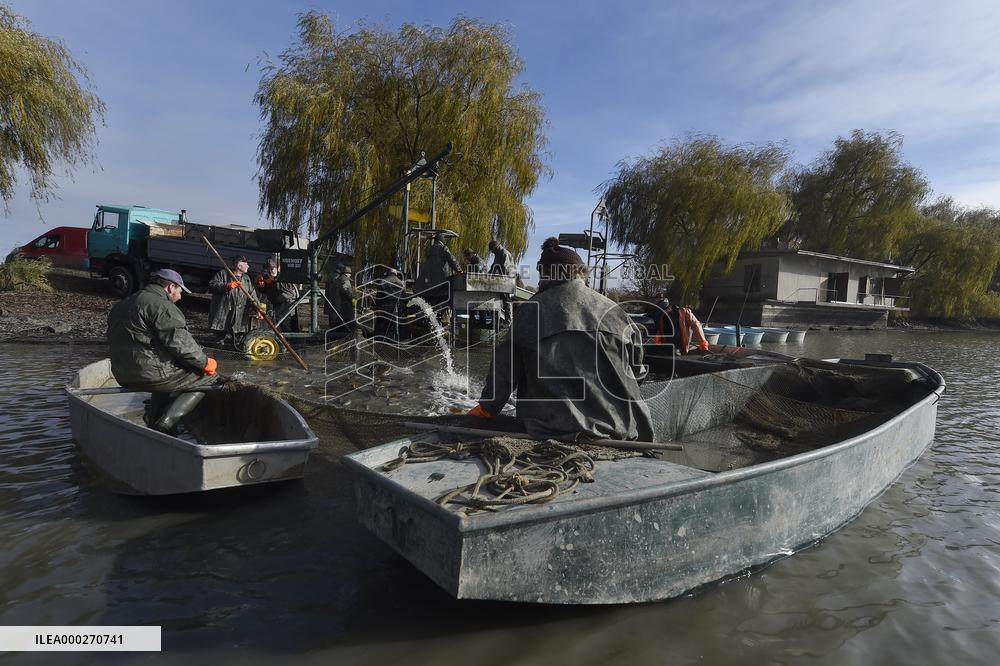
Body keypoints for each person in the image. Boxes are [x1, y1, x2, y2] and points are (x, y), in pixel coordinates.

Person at [468, 237, 654, 441]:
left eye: (540, 275)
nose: (537, 282)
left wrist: (487, 409)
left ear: (546, 273)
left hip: (551, 431)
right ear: (581, 273)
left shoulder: (531, 310)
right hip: (621, 433)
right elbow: (637, 372)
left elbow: (504, 374)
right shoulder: (617, 312)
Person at [106, 268, 218, 433]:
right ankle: (167, 422)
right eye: (180, 291)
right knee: (208, 379)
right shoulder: (161, 306)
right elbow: (181, 343)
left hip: (121, 373)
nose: (180, 297)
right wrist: (205, 362)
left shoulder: (124, 303)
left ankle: (154, 419)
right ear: (171, 287)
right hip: (148, 374)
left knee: (168, 375)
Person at [208, 255, 259, 345]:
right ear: (239, 266)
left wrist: (258, 308)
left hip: (239, 314)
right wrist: (226, 286)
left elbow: (252, 295)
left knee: (238, 339)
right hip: (224, 312)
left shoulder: (246, 279)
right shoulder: (223, 274)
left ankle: (234, 354)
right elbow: (212, 285)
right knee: (219, 339)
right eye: (246, 264)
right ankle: (218, 353)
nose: (248, 266)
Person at [416, 232, 463, 310]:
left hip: (430, 280)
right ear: (442, 240)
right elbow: (452, 260)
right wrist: (459, 270)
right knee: (445, 299)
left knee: (433, 300)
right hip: (442, 279)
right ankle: (444, 315)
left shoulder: (429, 249)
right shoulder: (443, 248)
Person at [256, 258, 300, 332]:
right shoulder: (267, 276)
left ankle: (290, 340)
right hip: (276, 304)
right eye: (268, 269)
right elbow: (266, 291)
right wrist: (262, 285)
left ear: (278, 268)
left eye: (272, 269)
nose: (270, 271)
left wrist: (272, 281)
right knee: (278, 323)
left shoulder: (284, 276)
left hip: (287, 303)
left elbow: (284, 289)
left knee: (286, 323)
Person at [372, 267, 405, 340]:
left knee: (382, 328)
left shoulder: (383, 282)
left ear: (388, 273)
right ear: (396, 274)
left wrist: (377, 308)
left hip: (385, 309)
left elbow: (379, 298)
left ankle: (382, 341)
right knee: (397, 327)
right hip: (397, 309)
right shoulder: (401, 283)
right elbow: (403, 298)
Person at [325, 263, 356, 338]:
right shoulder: (344, 280)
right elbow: (346, 292)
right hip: (341, 308)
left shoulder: (337, 279)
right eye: (350, 274)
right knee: (346, 326)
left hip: (334, 307)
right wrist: (353, 298)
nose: (350, 275)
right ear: (347, 273)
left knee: (335, 327)